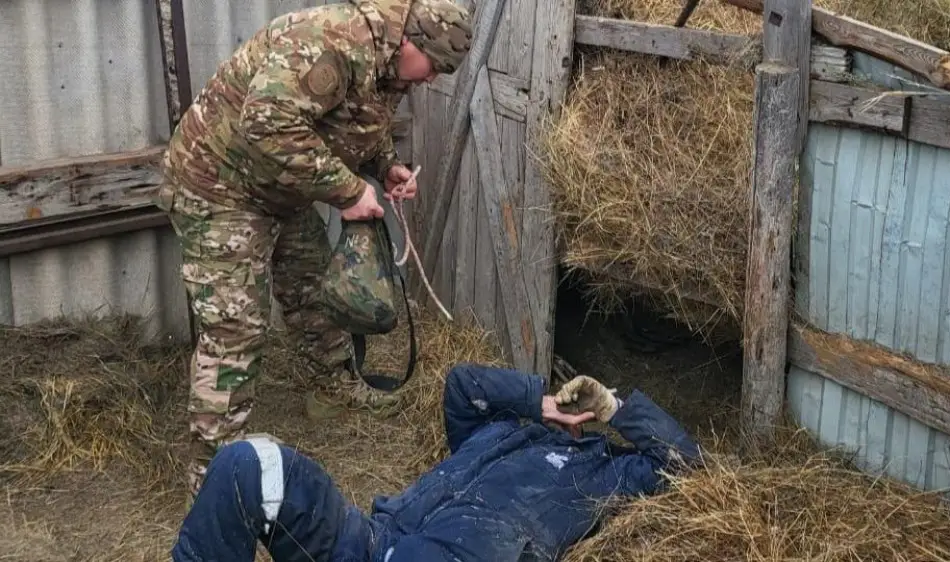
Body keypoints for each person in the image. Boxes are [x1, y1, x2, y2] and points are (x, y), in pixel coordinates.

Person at [153, 0, 474, 498]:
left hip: (280, 187)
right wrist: (348, 191)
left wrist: (385, 166)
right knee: (237, 327)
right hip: (220, 184)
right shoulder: (333, 42)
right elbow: (267, 125)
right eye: (434, 66)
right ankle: (214, 479)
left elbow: (357, 121)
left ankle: (330, 388)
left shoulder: (388, 62)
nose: (432, 79)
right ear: (411, 41)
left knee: (313, 285)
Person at [171, 364, 705, 561]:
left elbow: (684, 465)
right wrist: (535, 402)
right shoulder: (499, 429)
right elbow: (461, 384)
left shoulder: (606, 470)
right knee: (249, 462)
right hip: (372, 542)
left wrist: (614, 409)